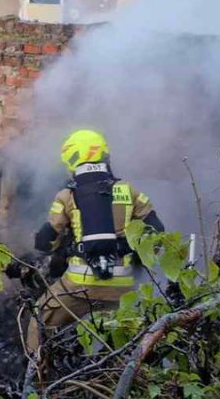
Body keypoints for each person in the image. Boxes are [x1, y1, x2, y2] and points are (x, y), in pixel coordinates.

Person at [26, 129, 164, 351]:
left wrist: (63, 249)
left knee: (38, 321)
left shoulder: (67, 196)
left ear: (72, 160)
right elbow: (156, 232)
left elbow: (45, 240)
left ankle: (36, 379)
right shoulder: (129, 191)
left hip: (79, 285)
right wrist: (135, 258)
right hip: (122, 287)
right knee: (125, 338)